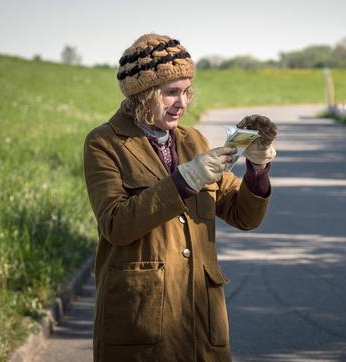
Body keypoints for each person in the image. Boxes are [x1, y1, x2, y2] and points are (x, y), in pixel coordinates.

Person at [83, 33, 277, 362]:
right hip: (141, 323)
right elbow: (115, 224)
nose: (183, 103)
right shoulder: (104, 143)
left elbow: (243, 216)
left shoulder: (193, 140)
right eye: (171, 93)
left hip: (203, 323)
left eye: (187, 91)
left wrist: (257, 170)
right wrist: (185, 180)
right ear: (141, 95)